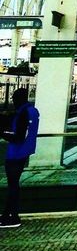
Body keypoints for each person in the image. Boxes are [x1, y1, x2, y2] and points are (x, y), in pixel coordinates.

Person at [2, 87, 40, 229]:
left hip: (16, 153)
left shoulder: (23, 113)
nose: (12, 100)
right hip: (24, 152)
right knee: (14, 185)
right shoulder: (32, 111)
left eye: (14, 98)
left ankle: (11, 217)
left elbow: (18, 136)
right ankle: (9, 215)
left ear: (18, 99)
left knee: (13, 186)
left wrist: (3, 133)